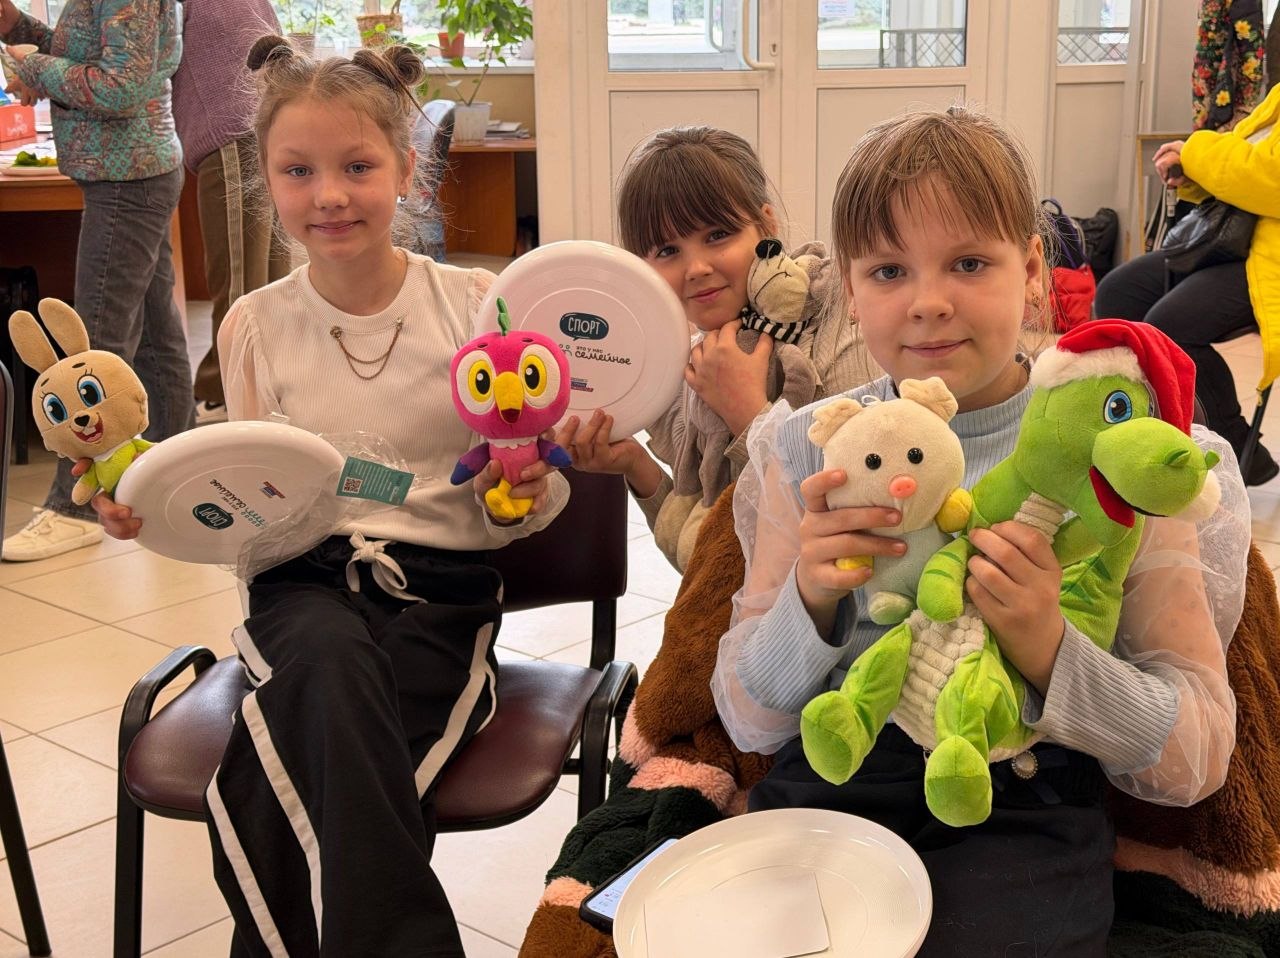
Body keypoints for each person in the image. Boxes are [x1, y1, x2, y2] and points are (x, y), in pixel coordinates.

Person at [711, 105, 1248, 954]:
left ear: (1031, 270)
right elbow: (748, 720)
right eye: (888, 270)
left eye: (968, 263)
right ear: (849, 287)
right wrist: (810, 603)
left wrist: (1047, 647)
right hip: (837, 775)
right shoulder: (811, 446)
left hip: (1022, 801)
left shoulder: (1115, 450)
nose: (928, 303)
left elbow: (1197, 753)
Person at [92, 37, 569, 957]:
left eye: (357, 167)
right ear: (267, 180)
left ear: (407, 169)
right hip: (299, 584)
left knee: (302, 749)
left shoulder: (475, 305)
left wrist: (525, 491)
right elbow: (241, 503)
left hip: (440, 595)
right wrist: (151, 509)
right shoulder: (253, 325)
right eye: (298, 171)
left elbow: (526, 498)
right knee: (323, 661)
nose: (329, 196)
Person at [556, 126, 863, 570]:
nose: (696, 268)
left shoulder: (839, 315)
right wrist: (634, 465)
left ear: (766, 225)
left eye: (718, 235)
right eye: (667, 250)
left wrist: (748, 412)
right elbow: (708, 563)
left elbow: (851, 510)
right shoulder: (689, 368)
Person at [0, 0, 196, 561]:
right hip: (132, 172)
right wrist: (20, 28)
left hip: (125, 178)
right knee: (156, 339)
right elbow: (95, 54)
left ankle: (76, 509)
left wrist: (32, 63)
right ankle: (174, 474)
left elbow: (119, 87)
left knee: (94, 343)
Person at [1095, 81, 1280, 487]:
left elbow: (1269, 178)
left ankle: (1233, 442)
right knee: (1117, 294)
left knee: (1172, 325)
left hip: (1270, 264)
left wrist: (1195, 151)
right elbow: (1241, 161)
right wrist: (1190, 169)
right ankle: (1142, 422)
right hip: (1233, 243)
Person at [171, 0, 292, 426]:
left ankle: (226, 395)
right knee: (269, 280)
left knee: (240, 281)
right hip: (260, 129)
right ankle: (265, 388)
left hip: (233, 136)